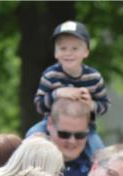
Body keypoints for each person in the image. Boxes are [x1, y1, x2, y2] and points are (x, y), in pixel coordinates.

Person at [30, 20, 108, 156]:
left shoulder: (94, 77)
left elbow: (105, 105)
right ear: (55, 52)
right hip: (50, 125)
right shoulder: (50, 75)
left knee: (100, 153)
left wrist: (91, 105)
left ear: (86, 52)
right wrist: (56, 93)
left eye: (75, 48)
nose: (68, 53)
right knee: (31, 137)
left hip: (85, 129)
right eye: (62, 48)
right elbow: (39, 106)